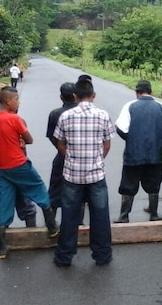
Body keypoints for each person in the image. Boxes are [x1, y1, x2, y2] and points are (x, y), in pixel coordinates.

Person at [0, 86, 59, 260]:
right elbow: (29, 139)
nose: (19, 102)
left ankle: (1, 247)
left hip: (0, 167)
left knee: (2, 202)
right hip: (18, 164)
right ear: (8, 101)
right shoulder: (14, 118)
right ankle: (52, 227)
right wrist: (20, 140)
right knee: (39, 189)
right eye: (17, 99)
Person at [53, 78, 116, 267]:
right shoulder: (103, 115)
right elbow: (107, 144)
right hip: (96, 175)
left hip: (72, 176)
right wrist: (97, 159)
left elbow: (60, 144)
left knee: (69, 216)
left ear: (75, 96)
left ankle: (64, 257)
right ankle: (102, 255)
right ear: (93, 95)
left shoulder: (65, 116)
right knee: (100, 216)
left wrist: (71, 158)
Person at [114, 80, 162, 222]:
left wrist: (132, 139)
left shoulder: (130, 106)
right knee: (153, 185)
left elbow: (121, 128)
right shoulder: (160, 107)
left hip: (133, 155)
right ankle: (154, 214)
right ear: (151, 92)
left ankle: (124, 216)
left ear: (137, 92)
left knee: (128, 185)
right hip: (154, 155)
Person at [46, 82, 79, 218]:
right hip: (81, 157)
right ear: (76, 96)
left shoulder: (55, 114)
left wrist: (61, 148)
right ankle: (78, 222)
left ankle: (52, 221)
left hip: (62, 155)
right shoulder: (82, 113)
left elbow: (51, 136)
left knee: (55, 189)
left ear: (61, 97)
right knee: (80, 190)